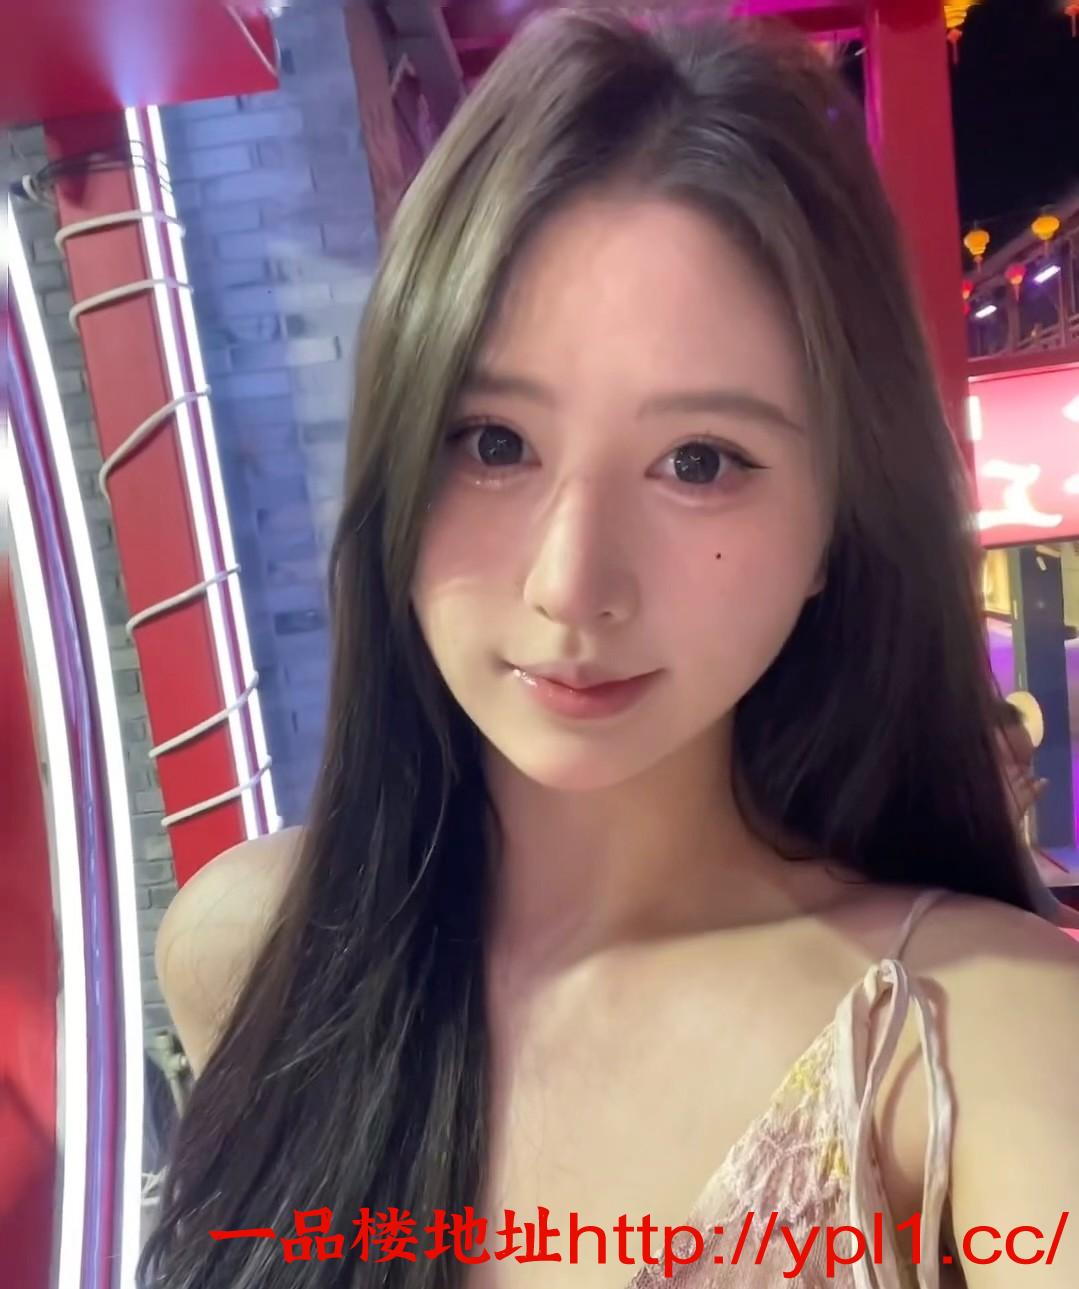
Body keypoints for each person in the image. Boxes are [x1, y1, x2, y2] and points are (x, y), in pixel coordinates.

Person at [141, 9, 1079, 1288]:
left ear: (836, 524)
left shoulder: (966, 1039)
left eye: (699, 461)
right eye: (493, 443)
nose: (569, 583)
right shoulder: (253, 947)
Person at [994, 698, 1079, 929]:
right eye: (1011, 763)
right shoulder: (949, 844)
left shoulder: (1011, 838)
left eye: (1027, 764)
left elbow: (1049, 912)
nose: (1026, 778)